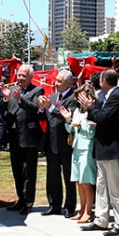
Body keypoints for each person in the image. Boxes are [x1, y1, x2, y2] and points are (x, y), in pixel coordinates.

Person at [79, 69, 119, 235]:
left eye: (99, 79)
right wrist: (91, 109)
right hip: (101, 148)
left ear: (105, 81)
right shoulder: (104, 96)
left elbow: (103, 118)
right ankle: (101, 219)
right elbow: (98, 116)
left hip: (112, 149)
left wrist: (90, 107)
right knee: (101, 186)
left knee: (116, 188)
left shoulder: (116, 96)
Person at [0, 64, 45, 215]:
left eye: (24, 76)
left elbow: (36, 109)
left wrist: (21, 99)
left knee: (28, 172)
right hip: (14, 137)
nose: (21, 78)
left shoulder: (37, 90)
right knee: (17, 170)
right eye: (19, 75)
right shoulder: (11, 90)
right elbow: (1, 109)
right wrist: (5, 99)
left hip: (29, 137)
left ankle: (28, 202)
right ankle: (20, 199)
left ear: (30, 77)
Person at [38, 70, 77, 217]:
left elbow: (67, 117)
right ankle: (54, 205)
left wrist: (51, 107)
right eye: (56, 80)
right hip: (52, 142)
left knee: (68, 176)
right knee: (53, 176)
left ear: (68, 83)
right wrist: (42, 108)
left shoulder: (73, 97)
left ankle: (69, 206)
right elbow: (46, 116)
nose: (55, 83)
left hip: (66, 142)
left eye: (59, 81)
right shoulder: (53, 96)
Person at [65, 83, 98, 224]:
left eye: (83, 97)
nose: (80, 101)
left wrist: (83, 124)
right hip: (76, 148)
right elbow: (69, 130)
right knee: (79, 182)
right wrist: (68, 120)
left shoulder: (93, 112)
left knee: (86, 182)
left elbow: (91, 133)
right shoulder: (77, 112)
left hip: (87, 148)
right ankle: (81, 209)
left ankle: (88, 211)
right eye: (79, 98)